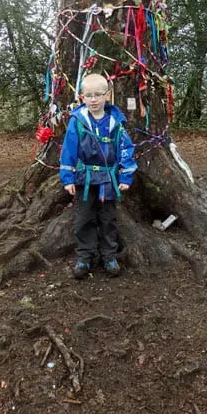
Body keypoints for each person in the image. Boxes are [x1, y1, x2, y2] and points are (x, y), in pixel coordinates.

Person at [60, 73, 138, 279]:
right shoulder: (77, 121)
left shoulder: (116, 122)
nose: (93, 99)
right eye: (88, 95)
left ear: (107, 95)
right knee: (84, 218)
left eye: (98, 95)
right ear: (82, 97)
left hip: (108, 182)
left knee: (108, 219)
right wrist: (67, 179)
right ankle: (85, 257)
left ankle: (109, 256)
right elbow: (68, 150)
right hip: (84, 179)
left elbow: (125, 149)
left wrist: (126, 176)